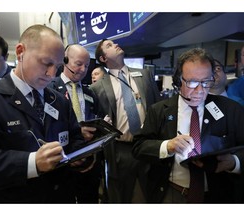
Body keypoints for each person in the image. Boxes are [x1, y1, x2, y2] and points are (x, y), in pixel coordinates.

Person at [0, 24, 93, 203]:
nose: (52, 74)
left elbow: (73, 139)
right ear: (20, 51)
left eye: (57, 66)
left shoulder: (60, 101)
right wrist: (31, 162)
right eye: (46, 63)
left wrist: (81, 157)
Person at [132, 47, 244, 203]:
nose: (199, 90)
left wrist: (234, 162)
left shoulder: (232, 110)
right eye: (192, 82)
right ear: (178, 80)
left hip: (218, 197)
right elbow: (138, 147)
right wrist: (167, 146)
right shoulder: (159, 111)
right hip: (172, 193)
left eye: (206, 82)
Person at [90, 39, 161, 203]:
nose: (115, 45)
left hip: (147, 143)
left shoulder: (144, 75)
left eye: (114, 43)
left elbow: (158, 108)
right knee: (121, 195)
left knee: (152, 191)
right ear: (103, 59)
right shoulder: (97, 87)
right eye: (109, 46)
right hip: (120, 148)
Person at [49, 44, 101, 203]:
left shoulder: (89, 92)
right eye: (78, 64)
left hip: (88, 160)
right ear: (65, 60)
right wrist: (77, 132)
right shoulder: (49, 88)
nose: (83, 70)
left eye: (86, 65)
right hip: (62, 162)